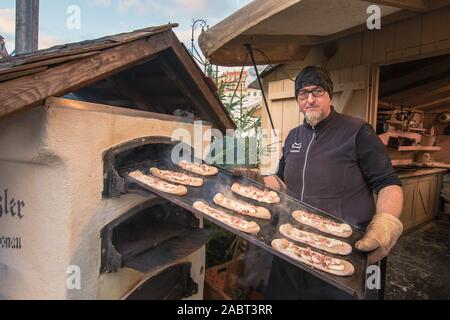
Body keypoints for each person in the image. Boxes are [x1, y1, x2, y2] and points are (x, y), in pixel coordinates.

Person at [262, 65, 404, 300]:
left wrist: (386, 223)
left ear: (329, 94)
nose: (310, 99)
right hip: (297, 239)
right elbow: (281, 180)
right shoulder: (294, 136)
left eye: (317, 91)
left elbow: (388, 182)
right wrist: (255, 178)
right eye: (302, 93)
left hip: (346, 248)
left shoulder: (357, 131)